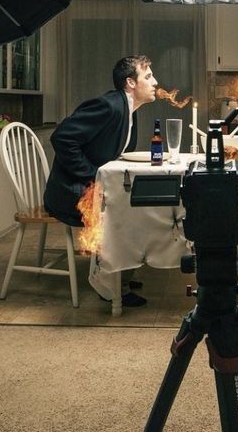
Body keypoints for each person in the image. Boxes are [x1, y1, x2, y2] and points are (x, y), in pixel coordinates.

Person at [44, 55, 158, 306]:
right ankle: (108, 283)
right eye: (148, 76)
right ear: (130, 82)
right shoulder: (109, 105)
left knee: (137, 203)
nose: (155, 82)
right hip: (70, 191)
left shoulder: (130, 110)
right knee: (124, 210)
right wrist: (94, 176)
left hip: (92, 187)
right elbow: (62, 138)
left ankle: (121, 272)